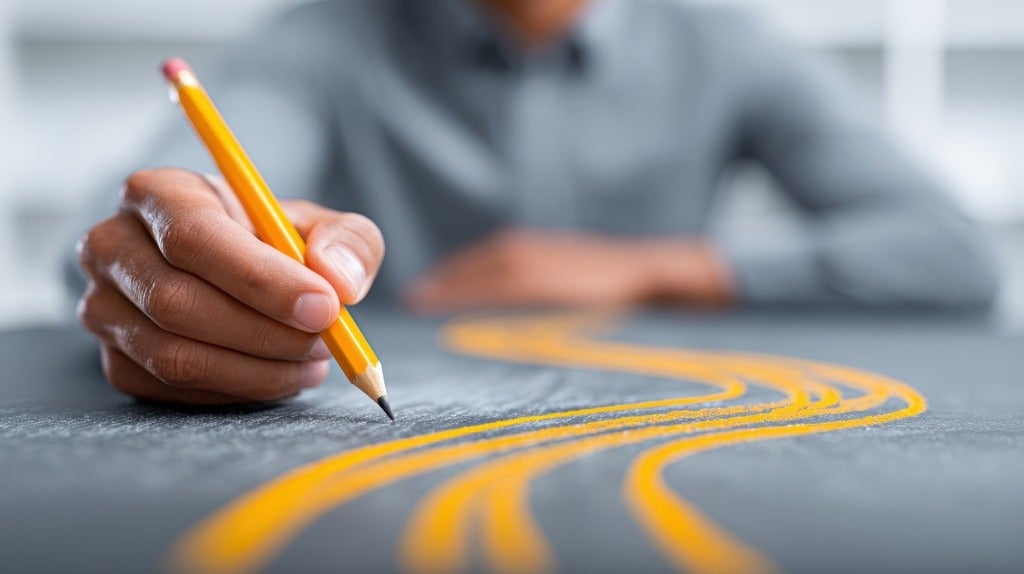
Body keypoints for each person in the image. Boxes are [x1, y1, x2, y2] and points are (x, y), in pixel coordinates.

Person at [73, 0, 999, 405]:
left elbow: (952, 250)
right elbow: (140, 217)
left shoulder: (728, 45)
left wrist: (649, 269)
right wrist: (164, 252)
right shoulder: (322, 40)